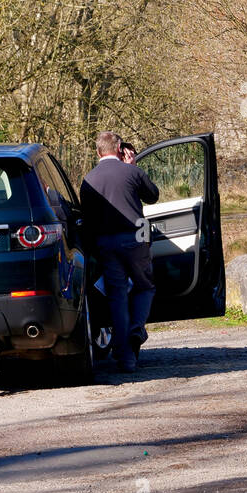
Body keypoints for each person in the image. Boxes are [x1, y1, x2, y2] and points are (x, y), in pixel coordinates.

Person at [79, 131, 159, 372]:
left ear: (98, 152)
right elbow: (153, 196)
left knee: (118, 296)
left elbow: (88, 218)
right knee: (145, 285)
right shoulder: (132, 172)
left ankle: (125, 358)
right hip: (137, 238)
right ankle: (136, 331)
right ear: (120, 149)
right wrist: (133, 166)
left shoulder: (88, 180)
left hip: (106, 243)